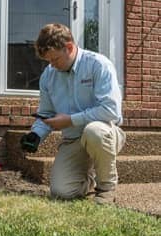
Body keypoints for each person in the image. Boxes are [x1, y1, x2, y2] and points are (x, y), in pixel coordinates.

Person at [20, 23, 126, 204]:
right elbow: (45, 112)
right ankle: (88, 178)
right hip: (72, 140)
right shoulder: (49, 75)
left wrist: (70, 120)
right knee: (61, 192)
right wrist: (36, 134)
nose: (51, 65)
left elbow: (111, 110)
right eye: (48, 61)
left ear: (69, 47)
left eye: (55, 59)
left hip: (104, 133)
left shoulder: (98, 65)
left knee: (94, 132)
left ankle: (106, 189)